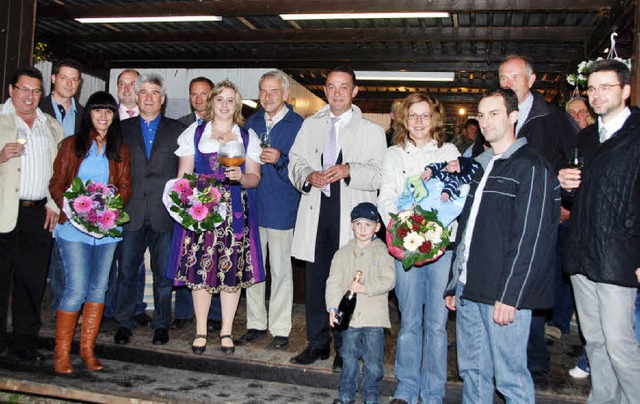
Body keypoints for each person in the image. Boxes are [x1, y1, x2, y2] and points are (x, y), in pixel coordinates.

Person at [445, 88, 560, 403]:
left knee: (511, 380)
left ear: (514, 116)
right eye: (481, 115)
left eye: (494, 113)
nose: (485, 121)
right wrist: (455, 284)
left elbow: (531, 238)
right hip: (471, 290)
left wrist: (511, 295)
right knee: (474, 375)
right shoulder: (482, 165)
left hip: (502, 296)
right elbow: (467, 231)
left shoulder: (531, 166)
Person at [288, 66, 387, 371]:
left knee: (347, 283)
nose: (337, 93)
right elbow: (295, 161)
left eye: (344, 87)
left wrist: (349, 170)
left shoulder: (372, 131)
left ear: (355, 92)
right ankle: (317, 344)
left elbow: (380, 175)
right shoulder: (310, 125)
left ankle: (346, 349)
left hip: (350, 219)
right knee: (317, 283)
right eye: (331, 87)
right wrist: (307, 174)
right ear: (325, 90)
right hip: (316, 214)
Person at [559, 58, 640, 403]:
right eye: (592, 88)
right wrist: (565, 184)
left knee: (620, 344)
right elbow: (579, 196)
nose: (597, 95)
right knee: (595, 343)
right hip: (582, 253)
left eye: (606, 87)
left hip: (619, 256)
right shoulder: (587, 137)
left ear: (625, 90)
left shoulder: (637, 135)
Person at [167, 80, 265, 355]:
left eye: (230, 100)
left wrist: (242, 177)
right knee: (200, 270)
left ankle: (225, 331)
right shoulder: (195, 133)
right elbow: (183, 177)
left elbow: (255, 178)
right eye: (219, 99)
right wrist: (188, 201)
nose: (224, 105)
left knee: (230, 272)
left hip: (235, 210)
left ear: (237, 105)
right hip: (203, 210)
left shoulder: (247, 137)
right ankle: (200, 329)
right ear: (211, 102)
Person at [498, 54, 578, 388]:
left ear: (532, 80)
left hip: (541, 219)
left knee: (531, 289)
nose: (507, 83)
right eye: (502, 78)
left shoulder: (554, 118)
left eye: (514, 77)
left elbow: (577, 161)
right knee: (503, 289)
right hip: (503, 218)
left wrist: (565, 202)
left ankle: (534, 361)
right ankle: (504, 358)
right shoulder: (496, 115)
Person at [377, 92, 460, 404]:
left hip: (441, 248)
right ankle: (407, 389)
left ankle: (433, 393)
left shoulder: (450, 151)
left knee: (437, 325)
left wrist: (434, 230)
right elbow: (385, 197)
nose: (419, 121)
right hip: (406, 247)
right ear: (403, 120)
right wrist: (401, 228)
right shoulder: (393, 155)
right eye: (413, 115)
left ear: (434, 119)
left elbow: (456, 197)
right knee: (410, 322)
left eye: (425, 115)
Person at [49, 91, 131, 374]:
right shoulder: (72, 145)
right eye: (98, 110)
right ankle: (61, 354)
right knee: (76, 289)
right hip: (73, 229)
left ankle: (87, 350)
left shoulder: (120, 149)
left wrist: (110, 208)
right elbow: (57, 183)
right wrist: (74, 210)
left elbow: (125, 186)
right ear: (90, 114)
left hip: (107, 230)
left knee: (99, 289)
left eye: (108, 111)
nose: (103, 116)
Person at [113, 73, 185, 346]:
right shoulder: (122, 128)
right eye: (143, 92)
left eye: (154, 93)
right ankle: (124, 322)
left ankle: (161, 324)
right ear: (137, 97)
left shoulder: (177, 130)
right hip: (130, 211)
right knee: (127, 271)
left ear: (162, 99)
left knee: (164, 275)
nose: (148, 97)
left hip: (163, 214)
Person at [0, 66, 63, 360]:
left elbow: (59, 172)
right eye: (24, 89)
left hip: (39, 214)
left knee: (32, 282)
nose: (30, 96)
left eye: (36, 91)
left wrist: (54, 203)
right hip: (3, 212)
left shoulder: (51, 125)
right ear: (11, 90)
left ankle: (24, 345)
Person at [237, 70, 303, 349]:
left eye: (273, 91)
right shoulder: (250, 122)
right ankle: (255, 323)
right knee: (252, 269)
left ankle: (279, 328)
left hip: (282, 207)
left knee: (280, 271)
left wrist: (281, 158)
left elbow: (305, 168)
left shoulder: (299, 125)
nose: (267, 96)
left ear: (286, 95)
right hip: (252, 203)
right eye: (263, 90)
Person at [326, 202, 395, 404]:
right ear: (352, 226)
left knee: (373, 360)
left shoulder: (383, 252)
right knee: (348, 356)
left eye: (368, 224)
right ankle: (346, 393)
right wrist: (333, 308)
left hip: (374, 317)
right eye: (358, 224)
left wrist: (364, 288)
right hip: (349, 318)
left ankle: (371, 394)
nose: (363, 229)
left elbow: (389, 280)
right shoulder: (342, 253)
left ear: (378, 227)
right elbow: (333, 282)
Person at [172, 76, 222, 332]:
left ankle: (214, 316)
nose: (199, 99)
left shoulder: (225, 125)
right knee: (188, 256)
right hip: (190, 202)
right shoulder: (180, 126)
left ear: (212, 95)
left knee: (213, 258)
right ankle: (182, 312)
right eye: (194, 94)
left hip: (218, 205)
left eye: (204, 93)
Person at [39, 58, 85, 317]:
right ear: (54, 78)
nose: (69, 83)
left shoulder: (85, 115)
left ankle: (61, 313)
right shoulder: (37, 107)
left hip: (73, 197)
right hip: (39, 193)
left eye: (74, 79)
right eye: (64, 77)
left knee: (65, 259)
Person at [105, 68, 149, 327]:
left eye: (132, 84)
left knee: (135, 260)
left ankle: (136, 306)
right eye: (121, 83)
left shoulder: (151, 121)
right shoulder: (108, 120)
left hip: (140, 202)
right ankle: (109, 306)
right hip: (112, 201)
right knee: (110, 258)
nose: (126, 88)